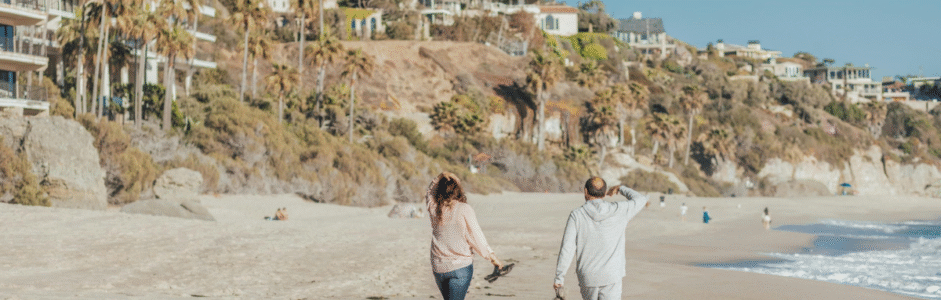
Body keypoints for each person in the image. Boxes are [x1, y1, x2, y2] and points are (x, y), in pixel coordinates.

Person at [554, 177, 648, 300]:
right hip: (612, 275)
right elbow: (641, 199)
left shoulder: (576, 215)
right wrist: (620, 188)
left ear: (585, 192)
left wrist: (559, 277)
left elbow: (567, 248)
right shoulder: (619, 210)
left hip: (588, 278)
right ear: (604, 193)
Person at [426, 172, 504, 300]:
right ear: (458, 190)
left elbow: (429, 191)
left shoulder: (435, 208)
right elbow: (476, 236)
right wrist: (492, 257)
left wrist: (440, 176)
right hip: (460, 268)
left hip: (439, 268)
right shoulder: (464, 209)